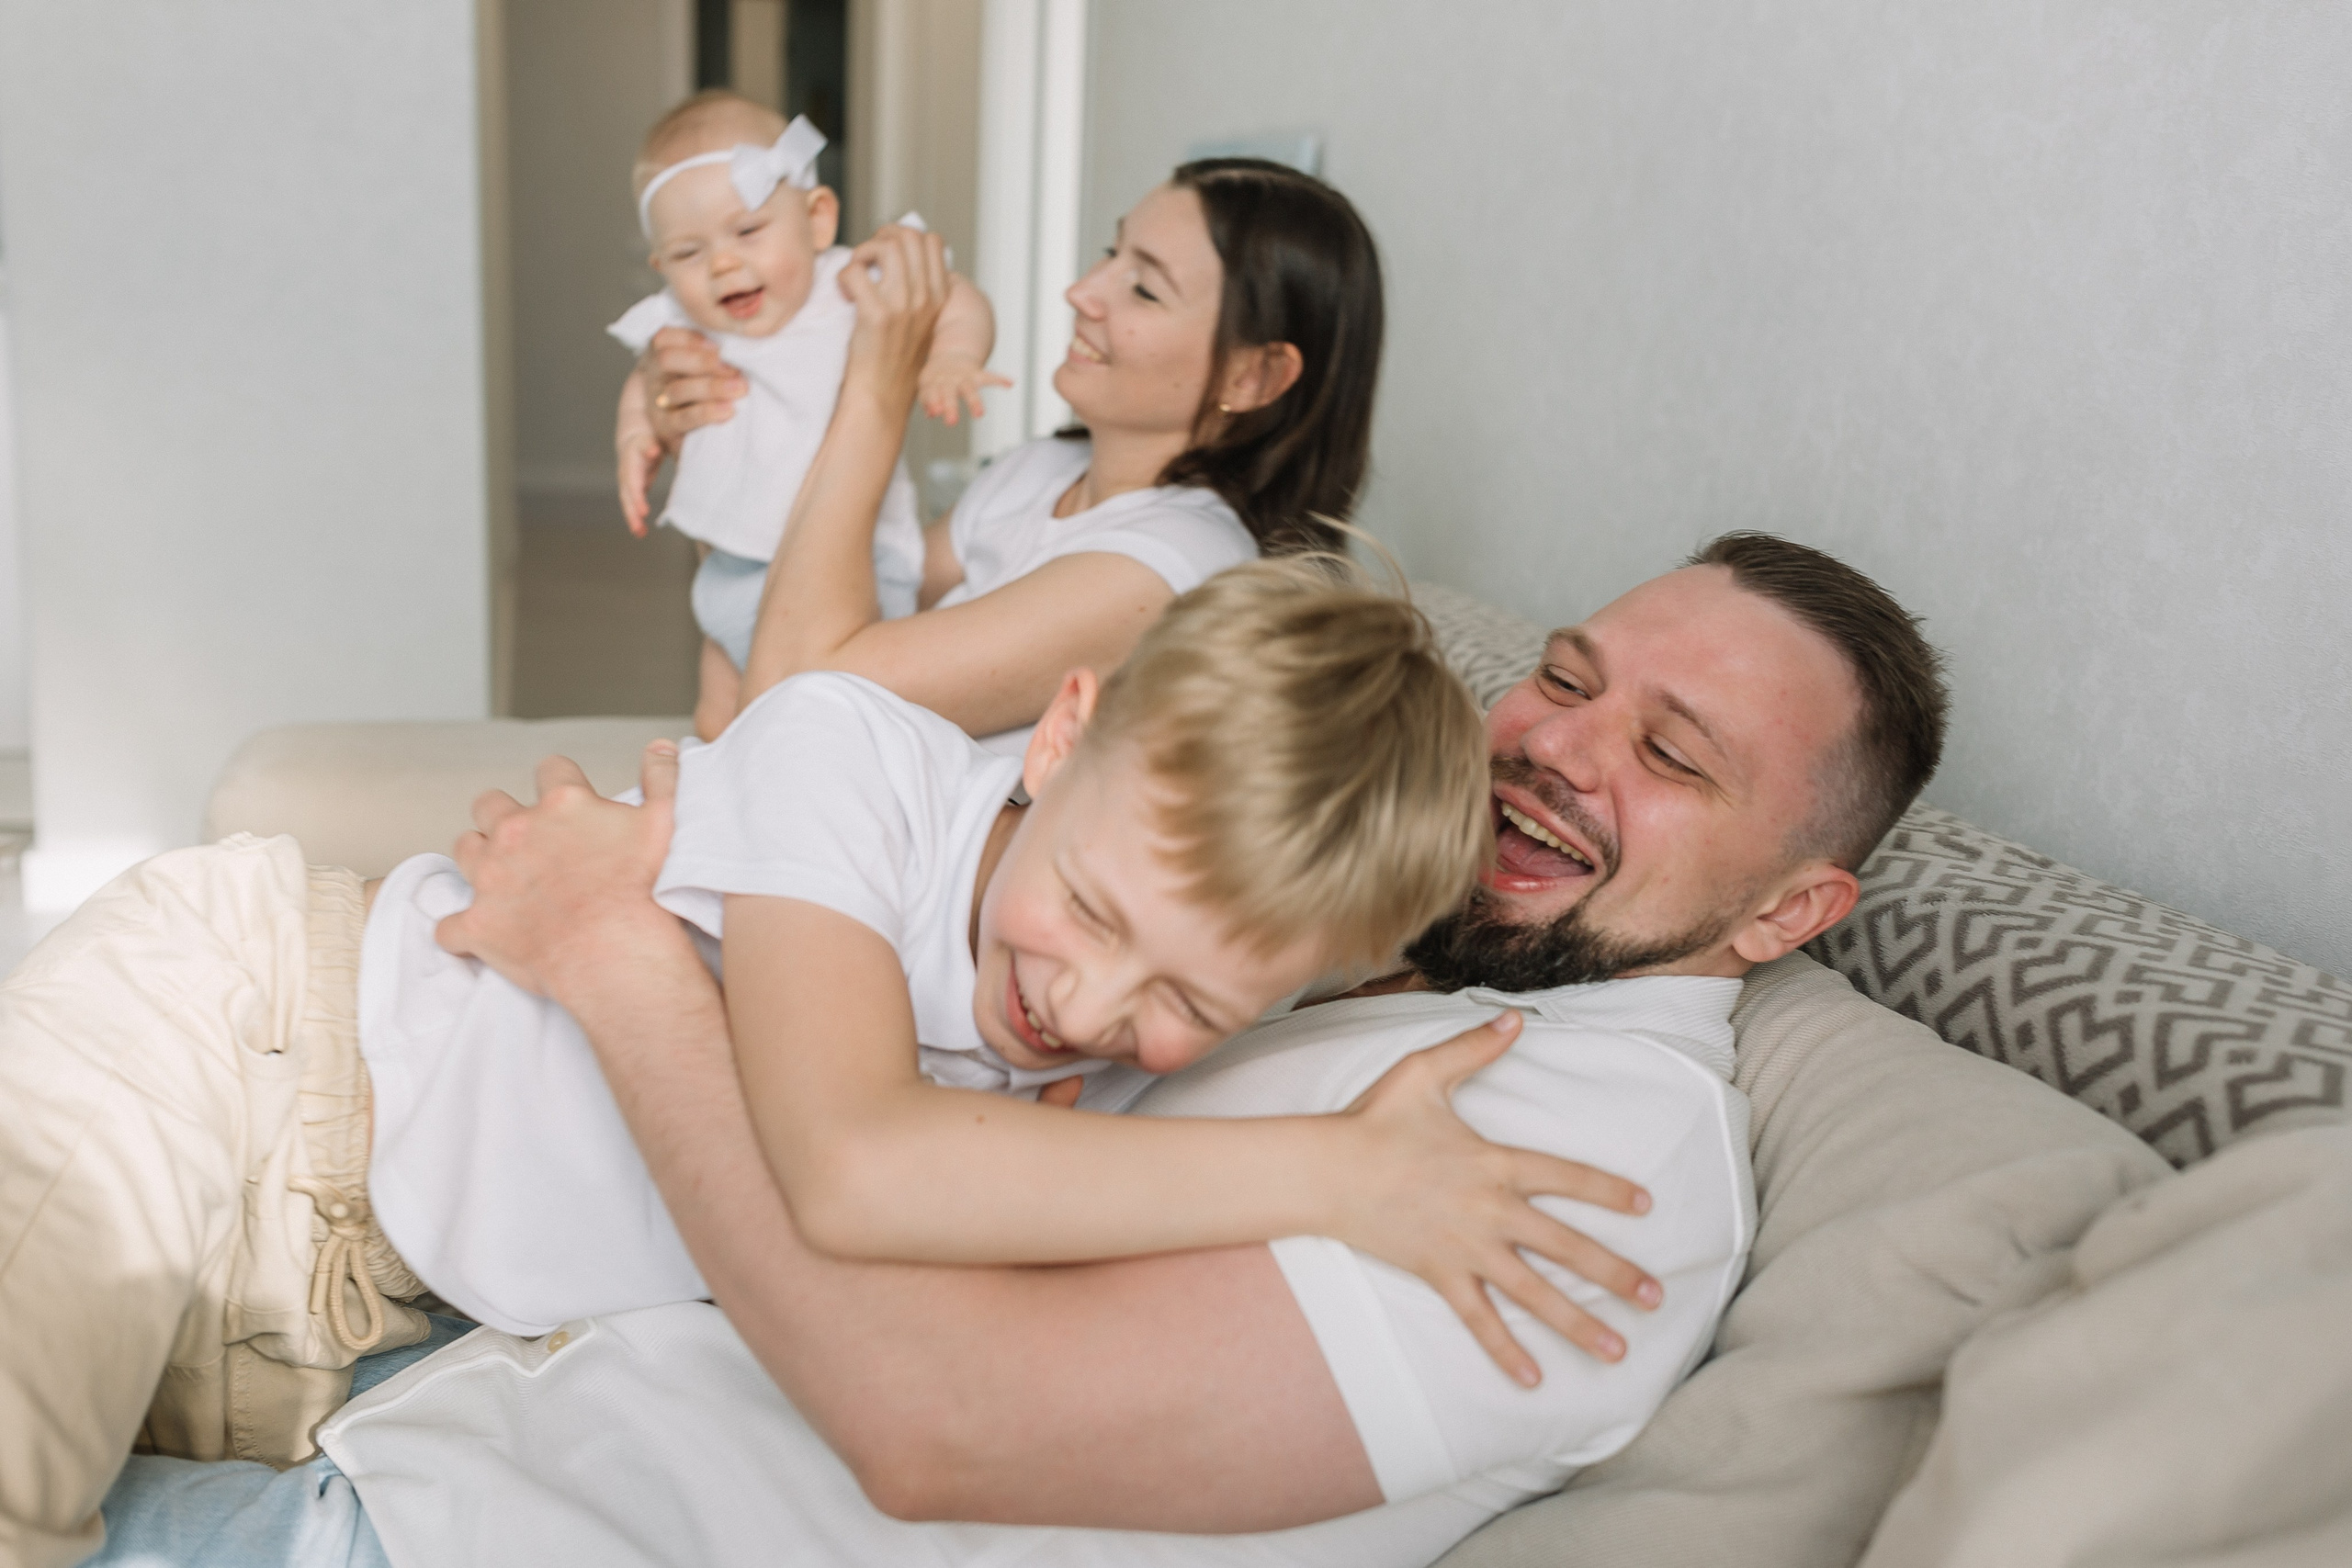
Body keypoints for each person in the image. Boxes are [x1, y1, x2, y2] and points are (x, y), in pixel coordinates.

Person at [162, 532, 1942, 1568]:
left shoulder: (1597, 1170)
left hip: (516, 1532)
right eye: (1562, 675)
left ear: (1790, 908)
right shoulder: (1385, 950)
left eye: (1673, 756)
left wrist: (620, 961)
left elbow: (935, 1421)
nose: (1555, 746)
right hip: (441, 1372)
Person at [634, 153, 1385, 750]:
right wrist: (725, 429)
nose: (1082, 291)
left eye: (1145, 290)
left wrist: (877, 388)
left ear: (1253, 375)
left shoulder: (1169, 567)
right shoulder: (1041, 472)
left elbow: (793, 692)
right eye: (1110, 253)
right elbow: (790, 601)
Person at [605, 92, 1005, 739]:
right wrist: (635, 435)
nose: (723, 264)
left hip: (854, 564)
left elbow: (954, 294)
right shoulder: (680, 321)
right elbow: (642, 381)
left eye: (748, 232)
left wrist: (954, 355)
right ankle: (716, 789)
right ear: (661, 267)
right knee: (718, 720)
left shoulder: (847, 284)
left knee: (835, 720)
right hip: (730, 563)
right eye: (688, 254)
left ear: (817, 220)